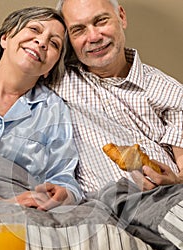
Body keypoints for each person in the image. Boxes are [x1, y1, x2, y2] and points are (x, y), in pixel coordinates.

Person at [0, 7, 82, 210]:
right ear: (5, 38)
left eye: (54, 43)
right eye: (34, 29)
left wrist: (64, 193)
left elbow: (63, 175)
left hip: (26, 211)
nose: (42, 42)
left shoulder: (54, 110)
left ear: (50, 69)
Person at [53, 0, 183, 195]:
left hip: (167, 201)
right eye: (78, 30)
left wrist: (175, 182)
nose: (94, 37)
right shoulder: (55, 82)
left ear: (121, 17)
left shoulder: (169, 90)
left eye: (101, 21)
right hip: (99, 211)